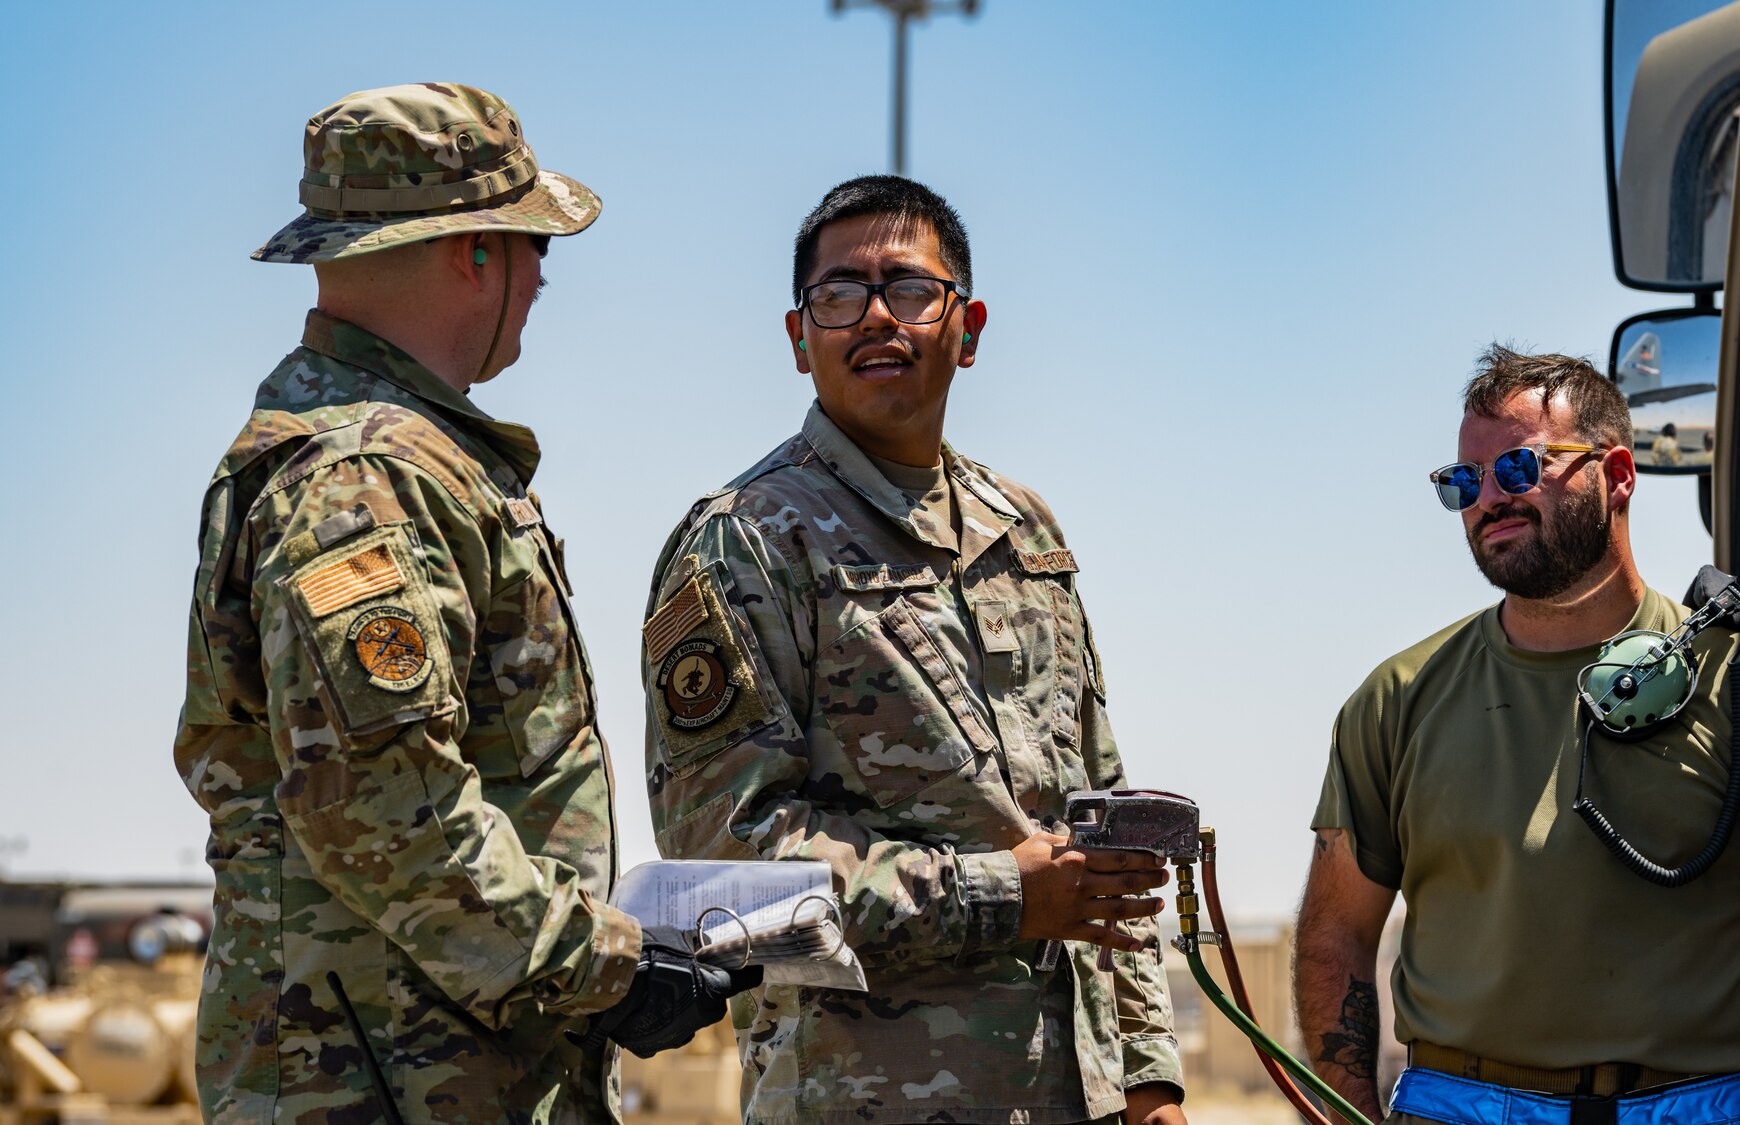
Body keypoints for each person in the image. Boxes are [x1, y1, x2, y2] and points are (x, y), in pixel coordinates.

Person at [172, 82, 752, 1124]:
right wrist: (610, 965)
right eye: (535, 249)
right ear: (474, 251)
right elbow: (385, 806)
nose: (537, 282)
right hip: (388, 1079)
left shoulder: (392, 456)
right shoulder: (366, 474)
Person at [641, 175, 1187, 1125]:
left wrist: (1147, 1077)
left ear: (967, 328)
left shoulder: (1026, 529)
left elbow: (1100, 823)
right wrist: (1002, 896)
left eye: (910, 291)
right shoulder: (748, 539)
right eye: (839, 295)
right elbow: (726, 862)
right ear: (798, 335)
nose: (874, 320)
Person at [1293, 347, 1740, 1125]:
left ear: (1619, 474)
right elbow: (1335, 933)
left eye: (1518, 468)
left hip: (1689, 1107)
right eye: (1464, 482)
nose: (1488, 499)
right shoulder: (1396, 700)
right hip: (1459, 1106)